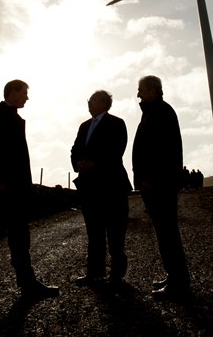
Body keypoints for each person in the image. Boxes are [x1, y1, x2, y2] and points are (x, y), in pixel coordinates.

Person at [0, 80, 59, 312]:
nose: (27, 98)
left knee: (20, 242)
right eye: (24, 93)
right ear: (13, 92)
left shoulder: (13, 118)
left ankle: (29, 287)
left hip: (15, 194)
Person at [132, 75, 191, 302]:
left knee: (168, 234)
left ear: (153, 90)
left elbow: (165, 151)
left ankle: (179, 283)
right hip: (156, 184)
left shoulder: (161, 112)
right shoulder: (154, 112)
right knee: (165, 234)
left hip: (160, 185)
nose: (138, 94)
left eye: (141, 89)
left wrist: (152, 179)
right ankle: (174, 276)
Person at [71, 90, 132, 286]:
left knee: (115, 231)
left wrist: (94, 163)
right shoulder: (84, 126)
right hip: (89, 187)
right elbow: (75, 149)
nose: (89, 102)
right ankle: (94, 273)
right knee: (94, 232)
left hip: (111, 185)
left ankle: (116, 275)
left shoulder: (117, 123)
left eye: (94, 100)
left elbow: (116, 150)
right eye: (89, 99)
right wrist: (78, 163)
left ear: (104, 104)